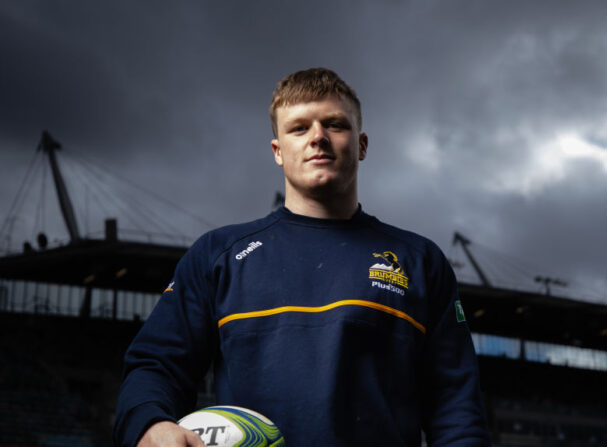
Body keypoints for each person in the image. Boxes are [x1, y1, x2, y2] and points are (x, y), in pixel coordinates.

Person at [113, 68, 490, 447]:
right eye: (298, 128)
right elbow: (156, 364)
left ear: (361, 145)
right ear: (278, 151)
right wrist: (150, 425)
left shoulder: (420, 261)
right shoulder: (217, 256)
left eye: (335, 124)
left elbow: (455, 405)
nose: (318, 138)